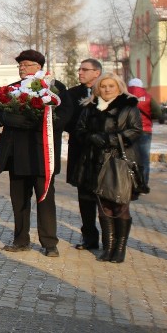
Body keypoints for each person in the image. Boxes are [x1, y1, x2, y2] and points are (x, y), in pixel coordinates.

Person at [0, 49, 72, 257]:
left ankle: (49, 242)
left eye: (27, 65)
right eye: (20, 65)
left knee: (45, 199)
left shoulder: (54, 88)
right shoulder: (10, 89)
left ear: (39, 67)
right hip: (16, 154)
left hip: (41, 153)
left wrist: (35, 122)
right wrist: (10, 119)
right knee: (19, 201)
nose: (22, 68)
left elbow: (63, 116)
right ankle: (20, 239)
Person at [74, 72, 143, 263]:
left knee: (120, 203)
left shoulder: (129, 106)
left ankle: (120, 248)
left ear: (119, 87)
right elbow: (79, 130)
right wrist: (90, 137)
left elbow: (136, 130)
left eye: (111, 86)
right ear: (97, 88)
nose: (106, 89)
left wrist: (109, 139)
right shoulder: (90, 107)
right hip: (94, 161)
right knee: (103, 205)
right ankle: (108, 246)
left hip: (120, 161)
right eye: (103, 86)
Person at [63, 58, 103, 250]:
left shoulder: (108, 90)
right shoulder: (72, 94)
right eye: (79, 69)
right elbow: (67, 120)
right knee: (85, 197)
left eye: (85, 69)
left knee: (105, 196)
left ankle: (110, 239)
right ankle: (89, 237)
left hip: (103, 153)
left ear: (97, 72)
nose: (80, 72)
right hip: (80, 151)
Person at [126, 78, 161, 192]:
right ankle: (143, 184)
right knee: (144, 159)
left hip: (128, 131)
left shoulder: (123, 96)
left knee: (128, 157)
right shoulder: (148, 97)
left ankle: (129, 184)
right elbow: (158, 113)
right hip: (144, 130)